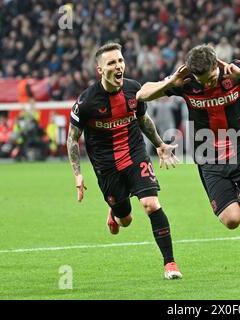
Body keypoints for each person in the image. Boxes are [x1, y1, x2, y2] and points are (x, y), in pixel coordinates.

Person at [137, 44, 240, 287]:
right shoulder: (185, 81)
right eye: (203, 81)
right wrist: (170, 82)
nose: (208, 85)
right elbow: (142, 94)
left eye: (212, 78)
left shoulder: (233, 71)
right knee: (231, 221)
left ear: (217, 63)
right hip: (208, 155)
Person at [66, 42, 182, 280]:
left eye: (120, 61)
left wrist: (159, 144)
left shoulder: (133, 90)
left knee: (151, 204)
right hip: (106, 167)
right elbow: (71, 139)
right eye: (111, 63)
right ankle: (114, 212)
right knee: (125, 219)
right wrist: (77, 174)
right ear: (100, 70)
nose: (118, 66)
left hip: (135, 154)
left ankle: (170, 263)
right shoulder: (86, 102)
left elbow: (143, 120)